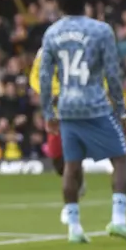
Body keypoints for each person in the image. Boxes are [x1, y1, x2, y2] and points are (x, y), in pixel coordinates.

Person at [39, 0, 126, 245]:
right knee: (121, 160)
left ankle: (74, 227)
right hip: (95, 105)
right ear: (85, 5)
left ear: (60, 6)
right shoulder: (101, 30)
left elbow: (44, 77)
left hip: (67, 108)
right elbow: (113, 74)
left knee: (72, 166)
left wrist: (48, 113)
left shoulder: (51, 33)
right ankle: (119, 220)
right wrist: (120, 109)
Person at [30, 48, 87, 225]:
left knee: (70, 156)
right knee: (56, 158)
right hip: (55, 112)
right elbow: (35, 77)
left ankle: (70, 207)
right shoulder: (45, 49)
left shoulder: (81, 47)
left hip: (77, 109)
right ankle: (79, 182)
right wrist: (49, 93)